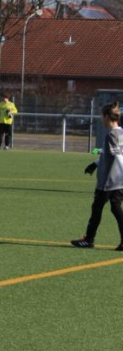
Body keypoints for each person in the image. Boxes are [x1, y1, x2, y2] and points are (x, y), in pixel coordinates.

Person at [70, 100, 123, 250]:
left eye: (101, 116)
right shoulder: (121, 132)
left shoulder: (111, 135)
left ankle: (89, 239)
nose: (101, 119)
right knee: (115, 208)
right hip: (119, 181)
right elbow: (109, 153)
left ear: (106, 116)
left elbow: (118, 156)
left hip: (108, 182)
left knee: (97, 208)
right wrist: (95, 163)